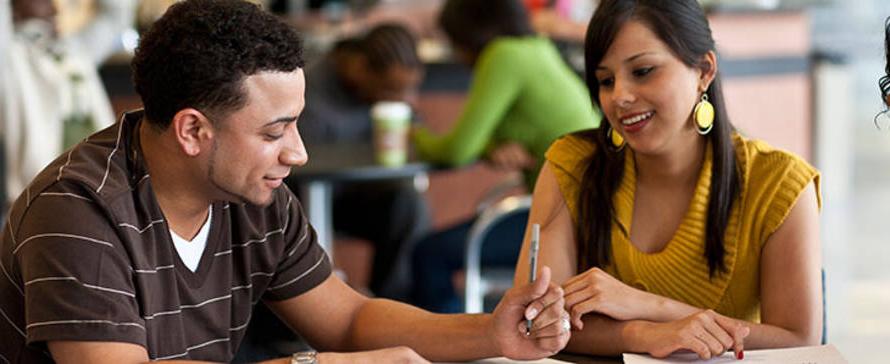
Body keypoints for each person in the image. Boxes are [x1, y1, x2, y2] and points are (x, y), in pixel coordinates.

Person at [0, 1, 571, 362]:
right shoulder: (76, 211)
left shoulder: (249, 191)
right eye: (276, 131)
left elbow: (347, 320)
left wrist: (491, 335)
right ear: (193, 131)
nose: (297, 153)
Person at [513, 0, 823, 360]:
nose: (620, 97)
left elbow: (800, 342)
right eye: (605, 81)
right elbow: (537, 325)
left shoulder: (778, 183)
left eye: (643, 71)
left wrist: (649, 306)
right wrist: (642, 334)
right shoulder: (573, 165)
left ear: (704, 70)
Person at [410, 0, 601, 313]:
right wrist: (489, 147)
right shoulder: (537, 48)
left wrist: (414, 134)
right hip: (587, 212)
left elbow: (457, 150)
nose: (457, 55)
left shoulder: (503, 56)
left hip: (565, 220)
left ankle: (453, 352)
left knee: (429, 254)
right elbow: (504, 134)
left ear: (469, 34)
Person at [297, 23, 429, 298]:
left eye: (411, 90)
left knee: (408, 204)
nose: (406, 100)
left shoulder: (394, 101)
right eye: (392, 90)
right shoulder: (310, 93)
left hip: (359, 197)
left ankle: (393, 311)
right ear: (359, 68)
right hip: (305, 202)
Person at [0, 0, 134, 207]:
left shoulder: (76, 50)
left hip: (99, 186)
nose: (53, 7)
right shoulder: (11, 60)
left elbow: (115, 15)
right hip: (38, 196)